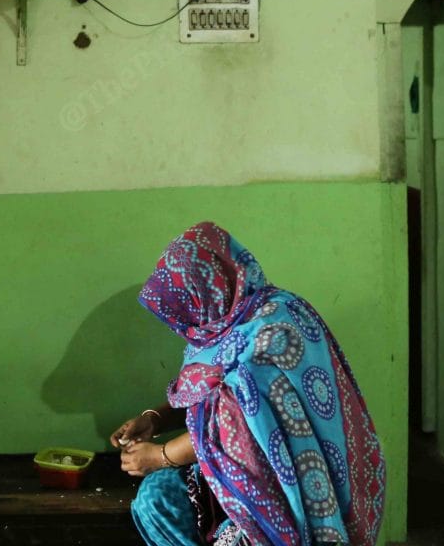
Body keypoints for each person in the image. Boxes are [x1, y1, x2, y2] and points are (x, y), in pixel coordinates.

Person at [112, 222, 386, 546]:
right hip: (288, 473)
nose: (186, 327)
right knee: (156, 498)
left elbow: (231, 426)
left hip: (287, 494)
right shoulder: (261, 311)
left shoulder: (260, 339)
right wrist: (154, 419)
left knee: (160, 502)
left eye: (187, 311)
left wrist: (159, 456)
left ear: (208, 290)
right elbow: (209, 400)